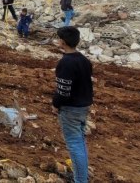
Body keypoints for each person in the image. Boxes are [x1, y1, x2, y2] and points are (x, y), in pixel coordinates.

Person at [52, 26, 93, 183]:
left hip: (71, 109)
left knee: (75, 145)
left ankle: (81, 180)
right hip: (83, 106)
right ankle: (81, 176)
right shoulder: (84, 60)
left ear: (62, 42)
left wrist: (55, 105)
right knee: (80, 142)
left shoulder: (66, 63)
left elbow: (63, 90)